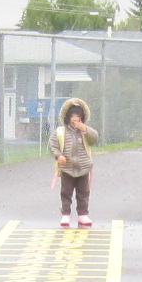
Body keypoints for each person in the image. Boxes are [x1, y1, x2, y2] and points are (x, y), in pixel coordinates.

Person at [51, 97, 96, 229]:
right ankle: (66, 214)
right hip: (67, 168)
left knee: (83, 192)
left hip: (83, 167)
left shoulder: (85, 131)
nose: (75, 119)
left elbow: (94, 139)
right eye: (72, 116)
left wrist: (85, 129)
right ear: (67, 117)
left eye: (78, 116)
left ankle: (83, 214)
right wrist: (58, 156)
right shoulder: (60, 132)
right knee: (66, 192)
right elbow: (53, 145)